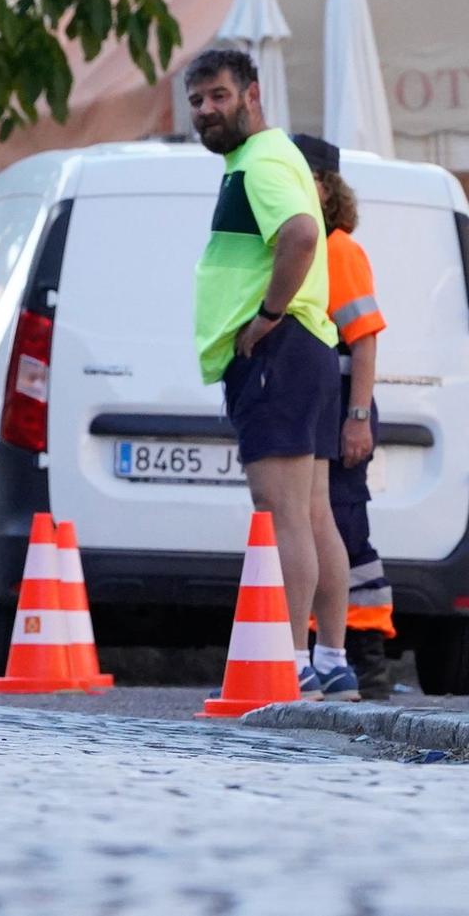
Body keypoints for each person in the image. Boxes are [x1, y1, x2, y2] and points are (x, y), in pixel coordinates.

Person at [186, 48, 358, 700]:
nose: (206, 110)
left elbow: (299, 236)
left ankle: (290, 662)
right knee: (312, 512)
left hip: (278, 351)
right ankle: (332, 657)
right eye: (197, 100)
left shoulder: (258, 162)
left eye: (219, 96)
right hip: (307, 348)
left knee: (281, 511)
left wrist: (264, 316)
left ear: (252, 94)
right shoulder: (272, 158)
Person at [293, 134, 394, 699]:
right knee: (317, 524)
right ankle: (327, 656)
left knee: (346, 528)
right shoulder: (305, 246)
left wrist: (357, 416)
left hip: (339, 406)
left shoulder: (336, 249)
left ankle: (366, 659)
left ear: (325, 188)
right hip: (318, 403)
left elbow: (364, 342)